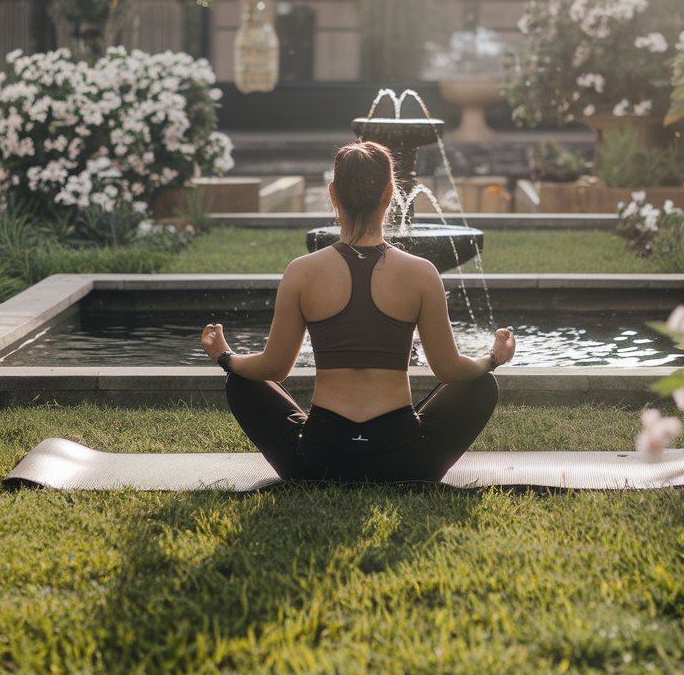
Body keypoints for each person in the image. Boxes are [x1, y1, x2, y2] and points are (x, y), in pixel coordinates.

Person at [200, 140, 515, 483]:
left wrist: (225, 357)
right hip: (406, 459)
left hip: (316, 459)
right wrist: (493, 358)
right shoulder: (422, 272)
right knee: (481, 385)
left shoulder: (302, 272)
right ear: (390, 193)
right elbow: (449, 369)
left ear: (332, 194)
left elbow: (273, 366)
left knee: (241, 384)